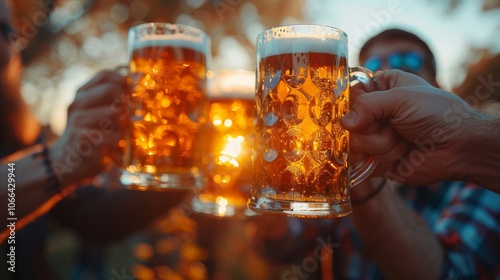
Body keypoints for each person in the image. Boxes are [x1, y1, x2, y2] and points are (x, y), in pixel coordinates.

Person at [252, 28, 500, 280]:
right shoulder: (332, 173)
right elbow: (285, 246)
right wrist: (264, 201)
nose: (386, 72)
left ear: (436, 88)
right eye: (373, 64)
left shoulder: (482, 180)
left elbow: (456, 275)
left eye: (407, 62)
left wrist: (462, 140)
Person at [0, 1, 190, 279]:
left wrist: (180, 171)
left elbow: (95, 218)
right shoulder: (40, 157)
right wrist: (59, 161)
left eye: (5, 31)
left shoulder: (20, 138)